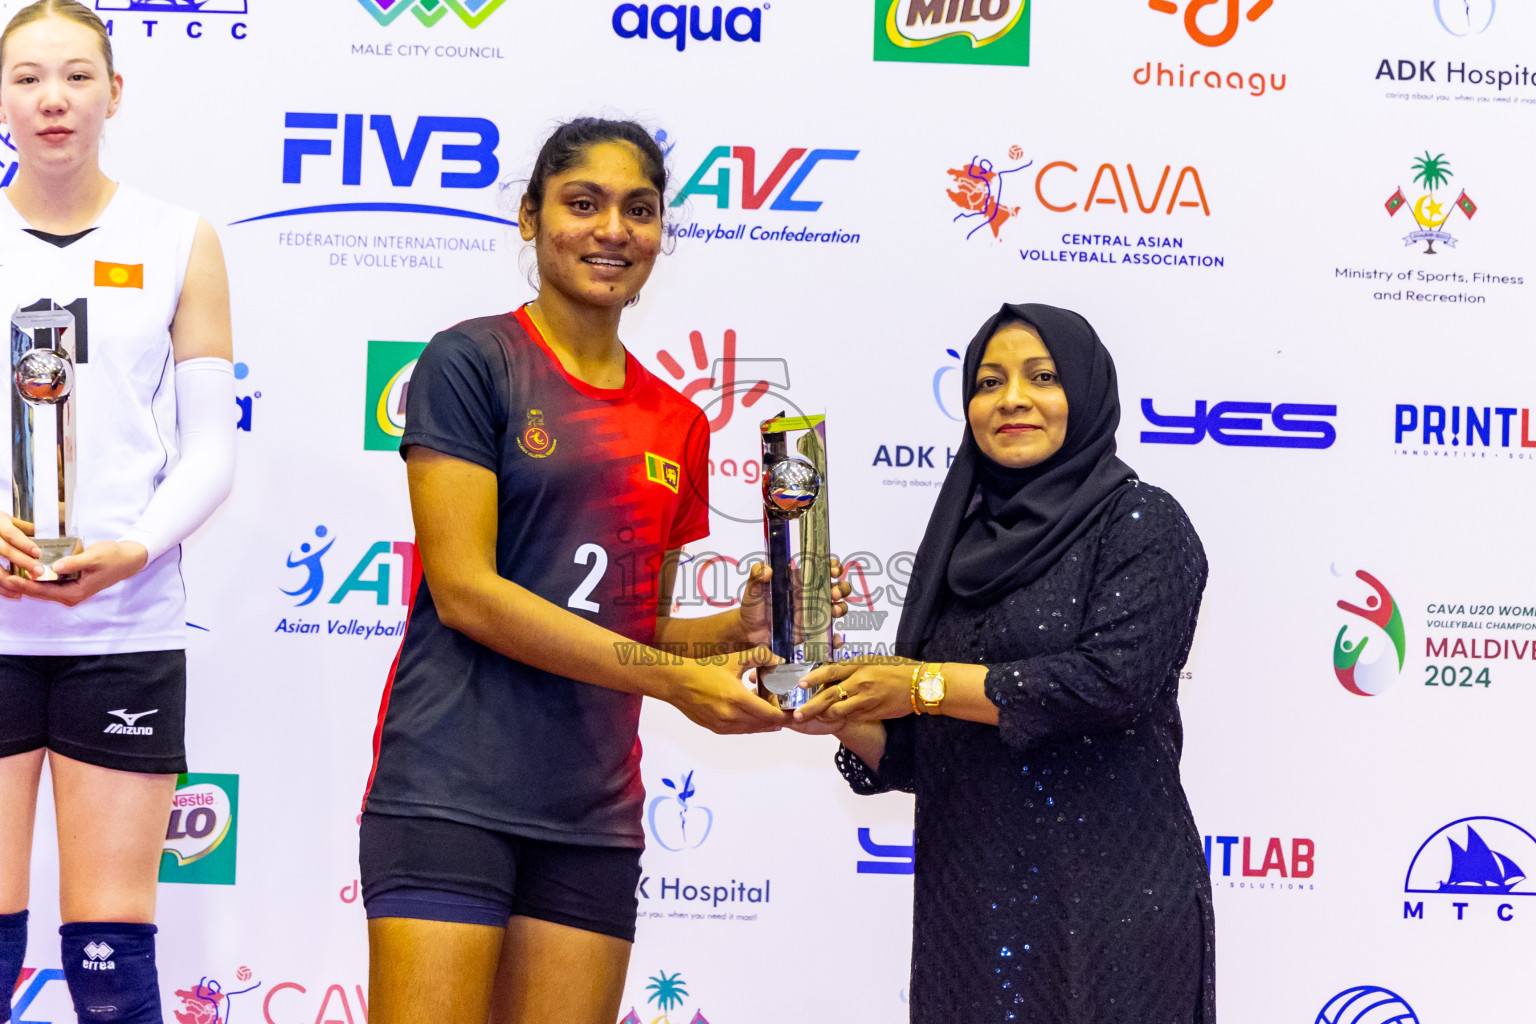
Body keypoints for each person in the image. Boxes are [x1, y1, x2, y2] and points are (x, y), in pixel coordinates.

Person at [360, 117, 843, 1024]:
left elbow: (633, 627)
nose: (612, 230)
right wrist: (672, 681)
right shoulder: (473, 360)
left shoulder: (676, 420)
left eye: (638, 209)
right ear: (529, 218)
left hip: (592, 812)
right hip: (451, 788)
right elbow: (467, 594)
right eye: (582, 204)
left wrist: (740, 630)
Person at [794, 303, 1215, 1023]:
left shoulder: (1142, 521)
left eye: (1042, 377)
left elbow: (1110, 684)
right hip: (972, 911)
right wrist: (838, 707)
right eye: (988, 383)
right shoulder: (958, 548)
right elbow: (918, 754)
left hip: (1111, 902)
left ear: (1084, 394)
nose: (1012, 398)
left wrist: (921, 684)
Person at [0, 3, 236, 1023]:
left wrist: (134, 547)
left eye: (76, 77)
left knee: (109, 953)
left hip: (123, 628)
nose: (53, 99)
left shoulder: (181, 239)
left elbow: (214, 450)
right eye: (26, 78)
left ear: (115, 93)